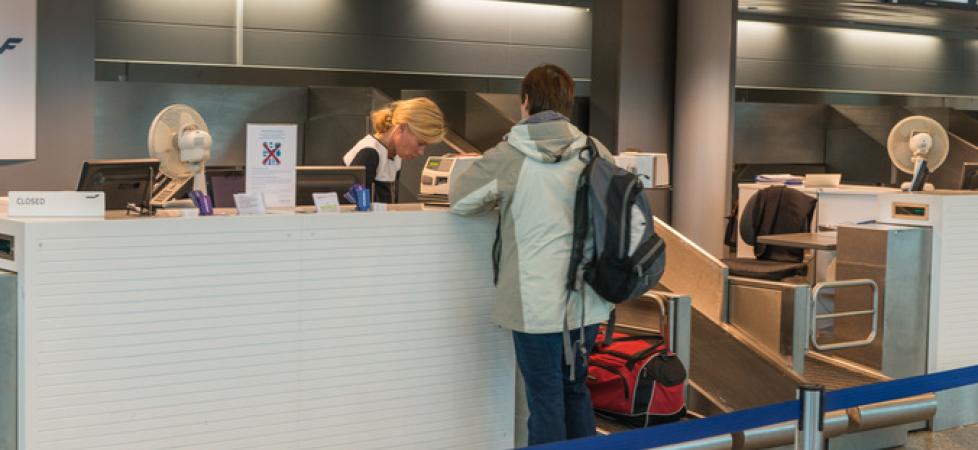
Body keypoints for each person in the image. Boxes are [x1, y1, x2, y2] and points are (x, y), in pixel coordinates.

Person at [449, 64, 615, 445]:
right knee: (575, 391)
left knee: (545, 399)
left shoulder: (511, 154)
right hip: (587, 299)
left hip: (534, 303)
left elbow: (460, 199)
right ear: (567, 103)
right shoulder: (594, 149)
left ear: (525, 102)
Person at [343, 97, 446, 203]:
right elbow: (356, 207)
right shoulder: (369, 153)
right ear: (402, 127)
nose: (421, 152)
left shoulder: (395, 157)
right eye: (420, 143)